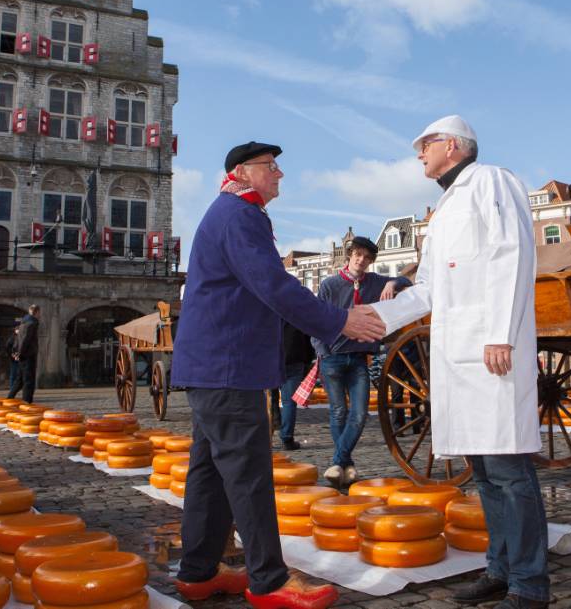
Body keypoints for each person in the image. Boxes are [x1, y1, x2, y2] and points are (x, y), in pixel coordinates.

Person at [170, 141, 385, 609]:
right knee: (248, 475)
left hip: (215, 364)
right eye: (271, 166)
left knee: (209, 474)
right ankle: (268, 581)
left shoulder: (230, 212)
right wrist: (338, 320)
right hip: (229, 365)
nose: (280, 173)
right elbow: (272, 284)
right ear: (243, 173)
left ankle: (198, 572)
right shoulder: (240, 214)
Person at [367, 116, 549, 609]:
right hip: (459, 356)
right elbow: (427, 287)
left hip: (492, 350)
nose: (418, 154)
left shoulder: (490, 180)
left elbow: (512, 256)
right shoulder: (445, 207)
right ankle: (500, 568)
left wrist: (499, 334)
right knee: (486, 472)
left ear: (451, 145)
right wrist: (374, 317)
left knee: (510, 471)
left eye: (424, 145)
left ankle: (530, 586)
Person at [315, 236, 410, 487]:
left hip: (359, 358)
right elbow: (317, 320)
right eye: (358, 255)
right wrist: (323, 352)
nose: (362, 260)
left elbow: (406, 280)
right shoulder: (329, 285)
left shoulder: (374, 283)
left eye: (367, 258)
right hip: (333, 357)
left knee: (359, 414)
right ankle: (345, 464)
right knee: (338, 412)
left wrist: (392, 281)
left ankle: (338, 462)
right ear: (350, 255)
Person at [276, 322, 313, 451]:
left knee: (269, 399)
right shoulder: (295, 306)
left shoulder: (268, 305)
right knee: (289, 402)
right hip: (294, 356)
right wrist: (308, 358)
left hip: (271, 357)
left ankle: (268, 433)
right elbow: (307, 334)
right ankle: (287, 437)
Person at [9, 305, 40, 403]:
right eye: (39, 313)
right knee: (28, 380)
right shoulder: (32, 323)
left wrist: (15, 351)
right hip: (28, 355)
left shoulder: (23, 322)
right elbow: (25, 339)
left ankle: (9, 398)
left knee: (20, 379)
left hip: (23, 354)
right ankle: (27, 402)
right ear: (37, 312)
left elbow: (18, 339)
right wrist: (20, 353)